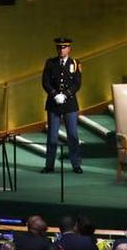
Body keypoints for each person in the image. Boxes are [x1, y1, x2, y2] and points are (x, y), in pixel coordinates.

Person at [41, 37, 82, 174]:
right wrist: (54, 94)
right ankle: (49, 165)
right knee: (52, 136)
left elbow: (77, 83)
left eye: (64, 47)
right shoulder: (50, 63)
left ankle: (76, 165)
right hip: (54, 103)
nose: (61, 50)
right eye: (59, 47)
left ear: (69, 49)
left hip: (69, 103)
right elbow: (45, 82)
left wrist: (65, 94)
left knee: (72, 135)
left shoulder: (75, 63)